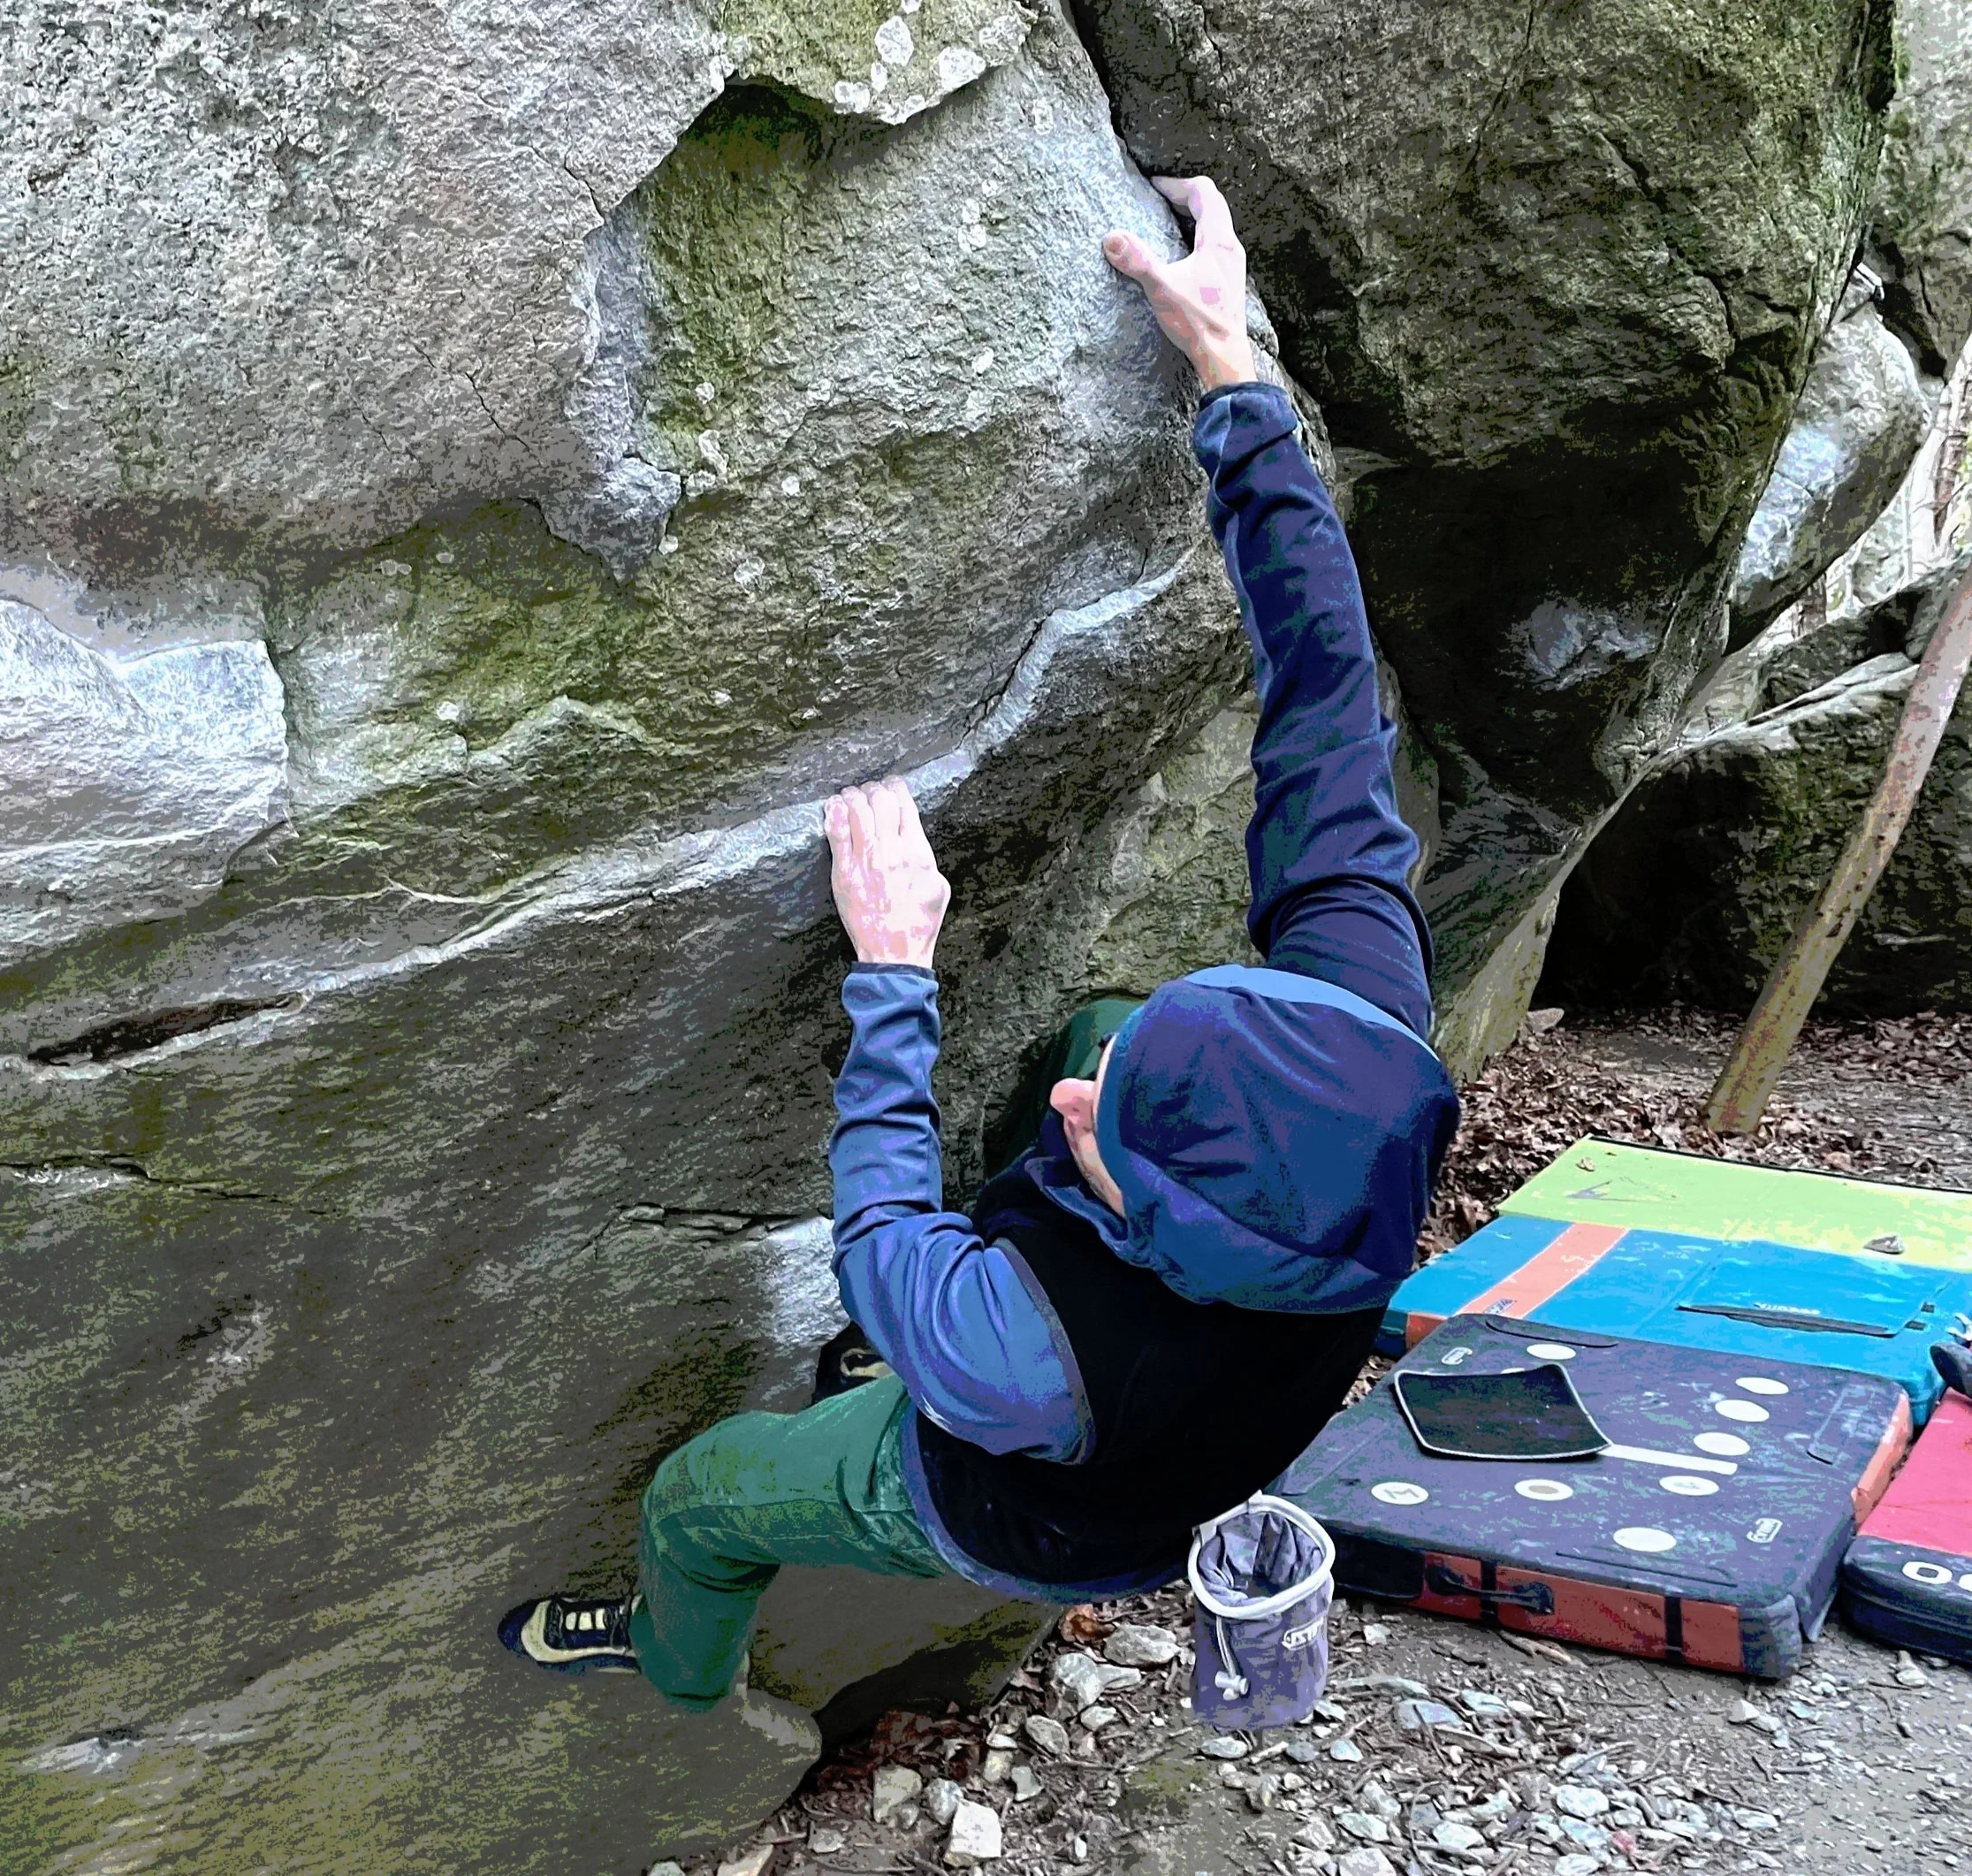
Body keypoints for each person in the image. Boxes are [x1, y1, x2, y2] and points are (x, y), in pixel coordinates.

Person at [499, 175, 1461, 1705]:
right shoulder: (1365, 1049)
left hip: (1012, 1502)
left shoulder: (1009, 1356)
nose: (1076, 1103)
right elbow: (1326, 705)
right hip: (1156, 1389)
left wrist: (891, 972)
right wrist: (1233, 380)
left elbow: (882, 1233)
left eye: (1103, 1143)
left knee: (706, 1490)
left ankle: (674, 1660)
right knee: (1089, 1030)